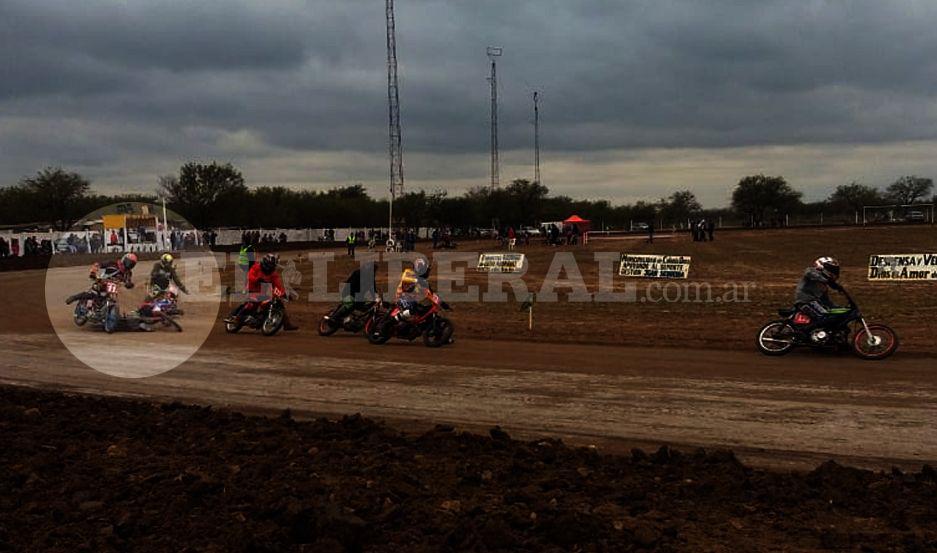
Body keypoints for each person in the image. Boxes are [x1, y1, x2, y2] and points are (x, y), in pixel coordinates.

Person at [225, 253, 298, 330]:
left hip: (263, 292)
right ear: (264, 263)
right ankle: (237, 317)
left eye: (272, 266)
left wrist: (283, 294)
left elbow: (278, 285)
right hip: (251, 289)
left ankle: (287, 324)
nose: (270, 268)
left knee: (279, 304)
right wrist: (257, 279)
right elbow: (250, 276)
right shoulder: (256, 267)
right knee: (251, 303)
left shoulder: (273, 274)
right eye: (269, 265)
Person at [794, 257, 843, 328]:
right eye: (832, 269)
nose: (834, 272)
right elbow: (809, 272)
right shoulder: (811, 272)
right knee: (823, 316)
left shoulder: (823, 286)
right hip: (805, 301)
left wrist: (839, 309)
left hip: (814, 302)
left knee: (829, 316)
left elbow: (826, 301)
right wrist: (827, 280)